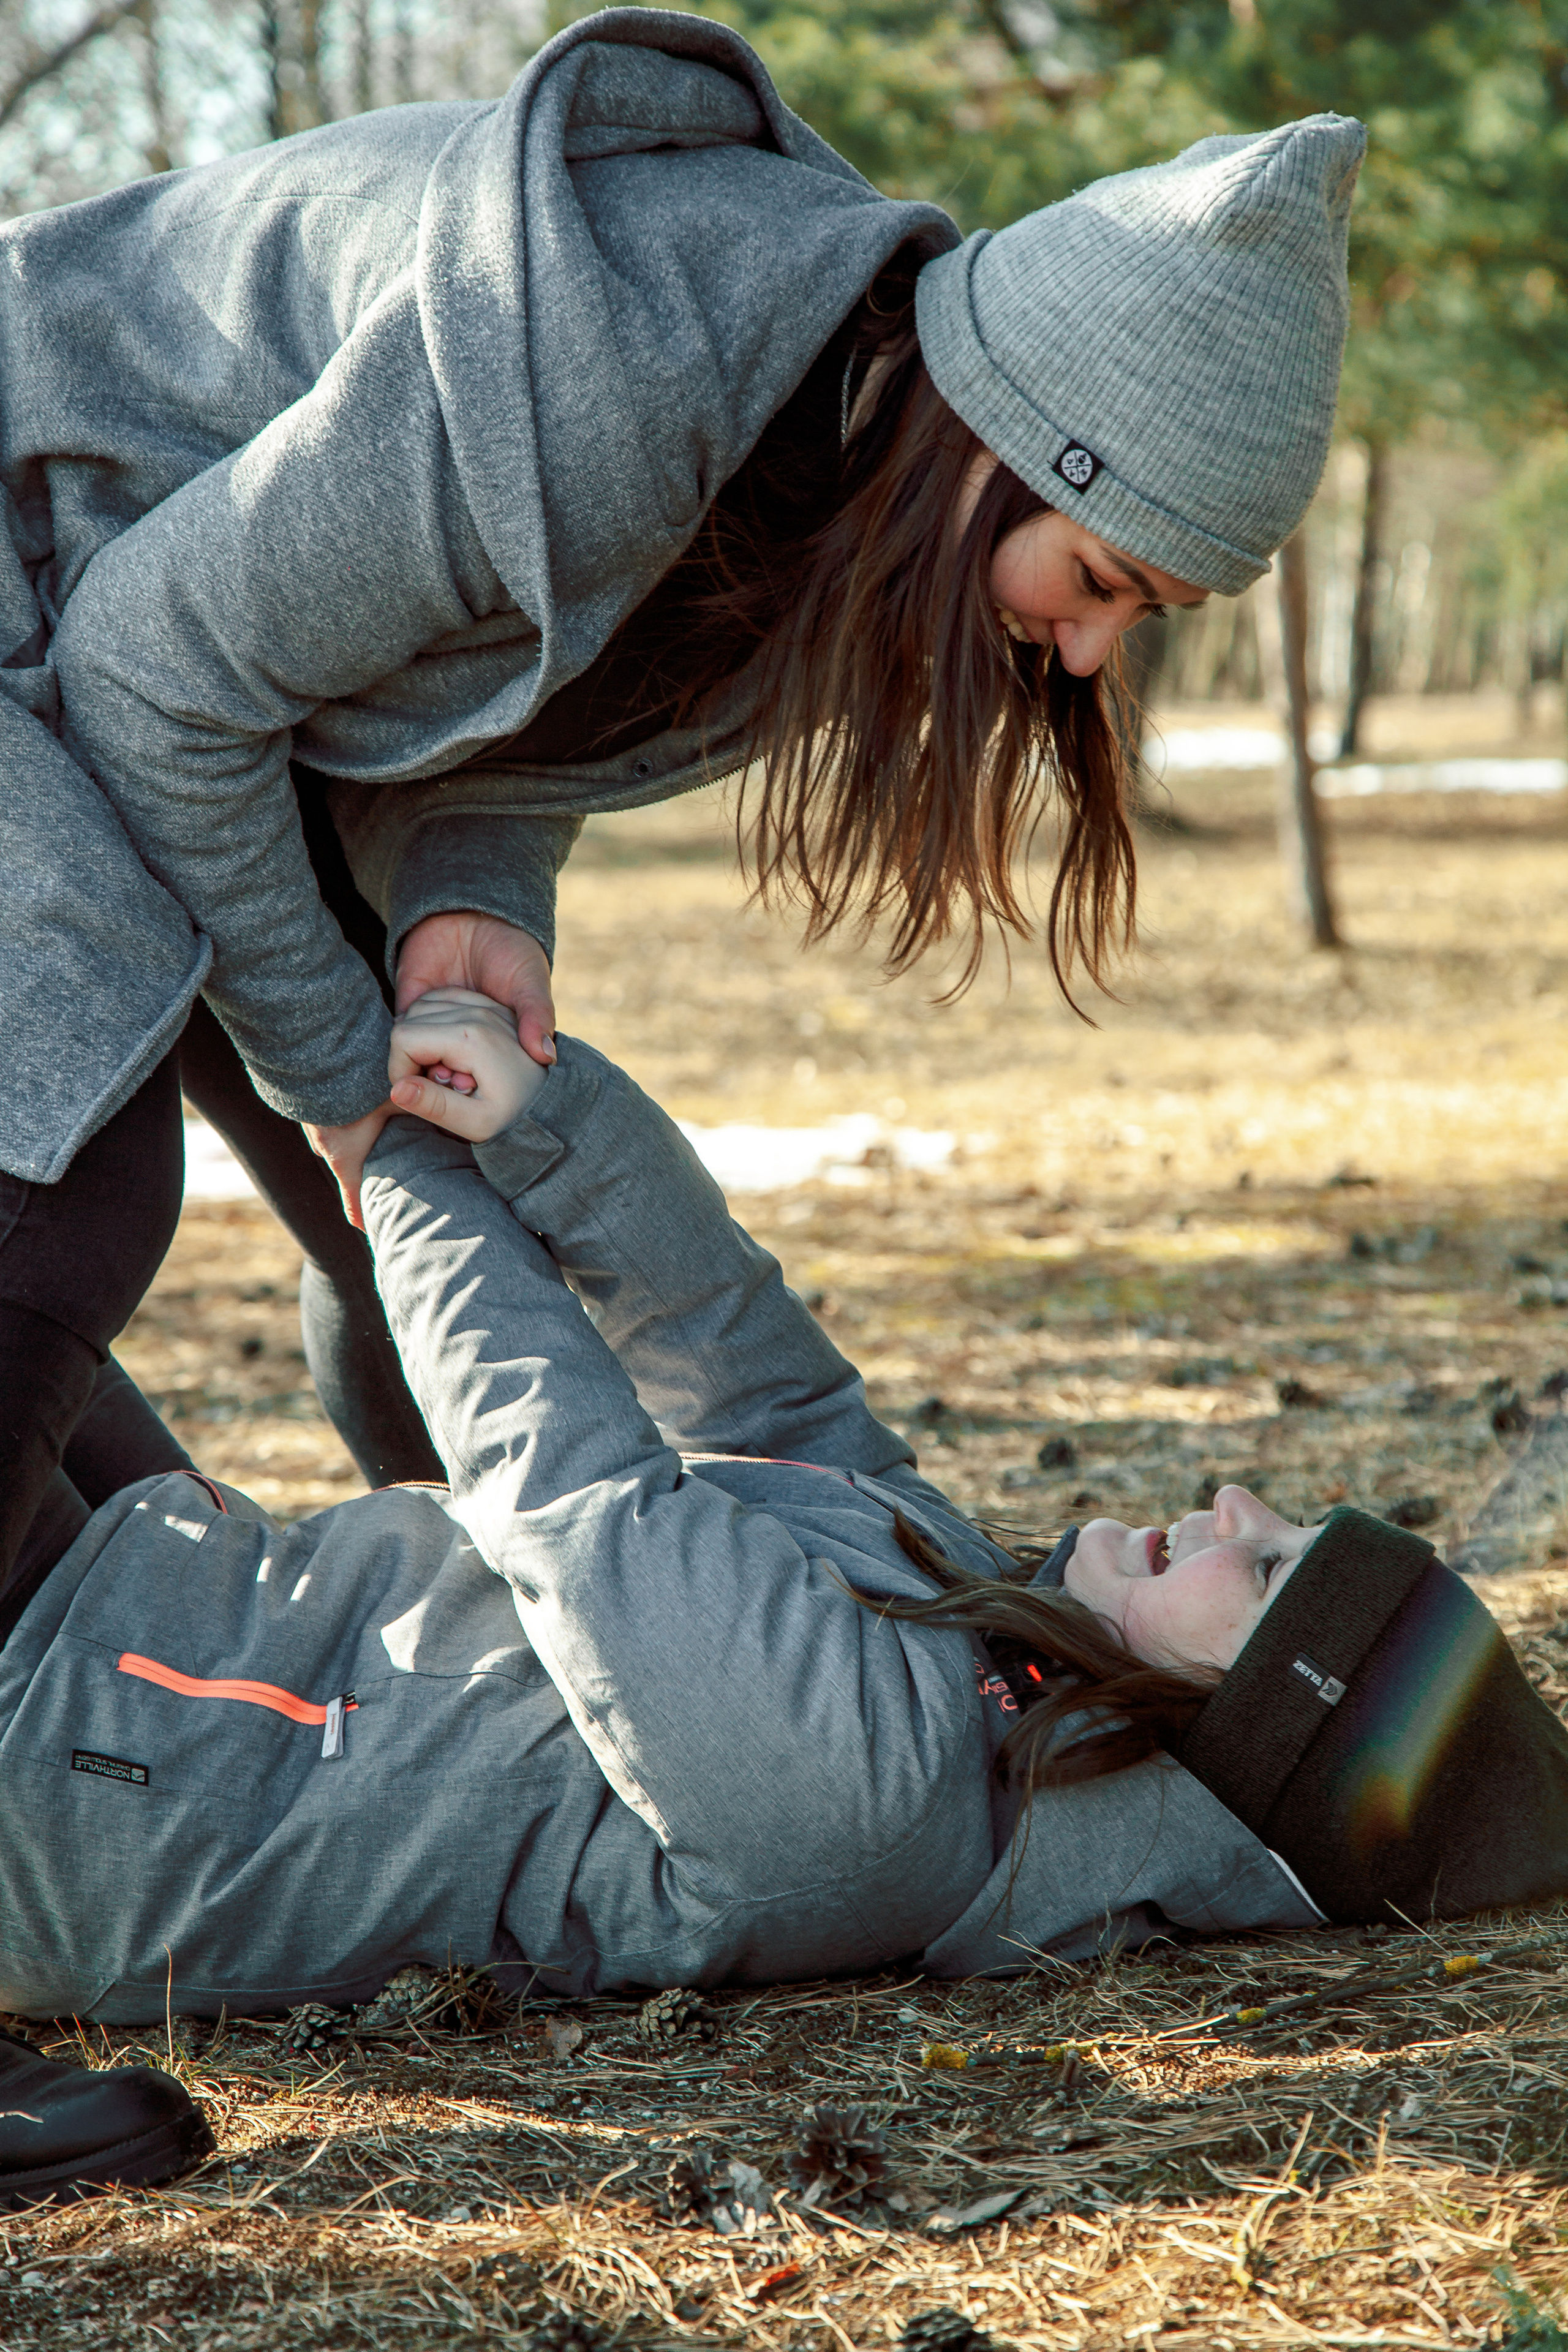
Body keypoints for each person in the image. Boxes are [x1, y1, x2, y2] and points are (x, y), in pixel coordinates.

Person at [0, 5, 1366, 1564]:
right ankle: (94, 1735)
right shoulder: (618, 354)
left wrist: (471, 890)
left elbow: (527, 685)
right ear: (1007, 445)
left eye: (1141, 618)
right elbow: (151, 676)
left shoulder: (843, 477)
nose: (1081, 656)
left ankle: (476, 1693)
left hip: (155, 664)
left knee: (458, 1208)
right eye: (1099, 578)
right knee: (68, 1178)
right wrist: (332, 1080)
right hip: (47, 591)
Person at [4, 998, 1566, 2204]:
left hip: (98, 1776)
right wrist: (554, 1119)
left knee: (83, 1179)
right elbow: (755, 1367)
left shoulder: (876, 1804)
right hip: (173, 1627)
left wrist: (397, 1156)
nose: (1230, 1506)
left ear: (1239, 1731)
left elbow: (576, 1489)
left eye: (1271, 1566)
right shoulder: (983, 1651)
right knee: (113, 1078)